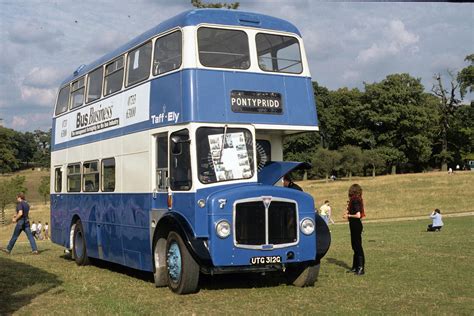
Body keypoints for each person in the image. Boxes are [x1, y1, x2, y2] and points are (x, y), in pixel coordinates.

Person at [343, 184, 365, 275]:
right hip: (354, 224)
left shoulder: (355, 200)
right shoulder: (355, 199)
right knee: (354, 245)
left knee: (357, 246)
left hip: (356, 224)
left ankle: (360, 267)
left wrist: (348, 215)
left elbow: (358, 215)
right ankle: (355, 267)